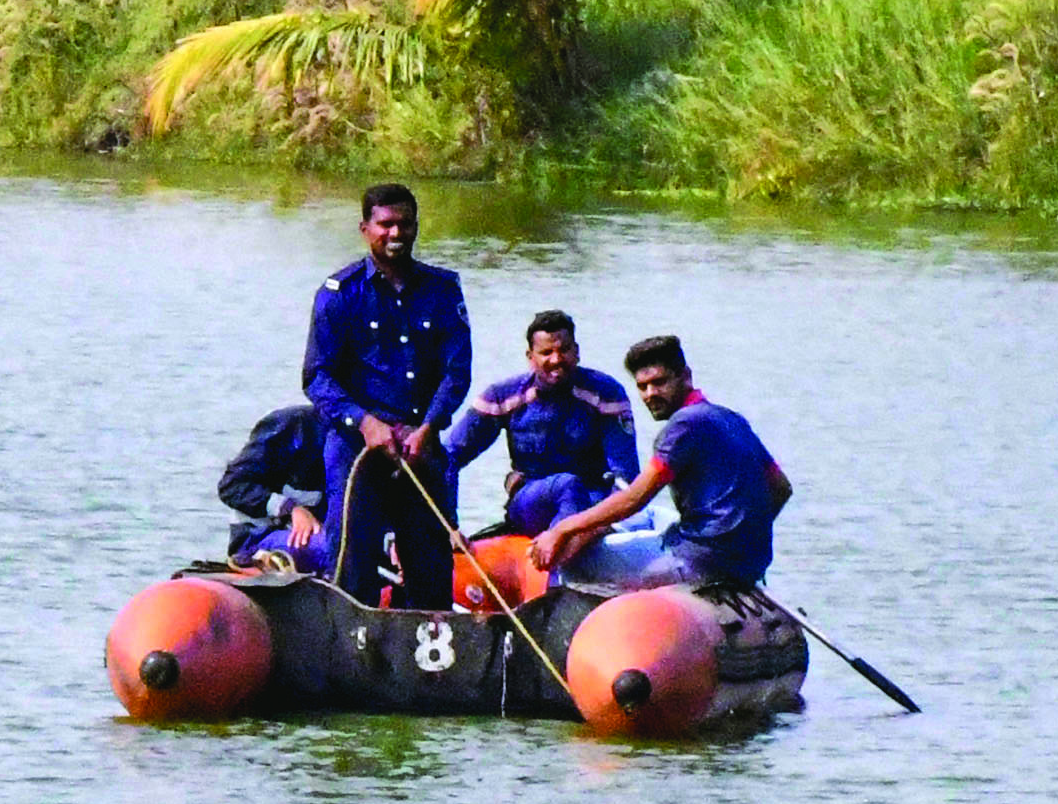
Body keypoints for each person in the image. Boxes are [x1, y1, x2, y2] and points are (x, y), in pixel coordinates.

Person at [299, 182, 473, 611]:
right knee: (352, 565)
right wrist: (365, 422)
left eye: (406, 223)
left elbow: (457, 371)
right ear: (365, 228)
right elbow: (317, 378)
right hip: (359, 448)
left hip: (422, 447)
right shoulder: (338, 294)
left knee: (431, 567)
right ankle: (344, 656)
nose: (397, 233)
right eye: (386, 224)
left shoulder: (443, 290)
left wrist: (430, 426)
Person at [528, 335, 794, 594]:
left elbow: (634, 497)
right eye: (642, 386)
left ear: (685, 376)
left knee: (574, 565)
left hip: (697, 561)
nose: (650, 394)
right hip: (751, 561)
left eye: (659, 382)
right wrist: (743, 536)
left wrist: (562, 529)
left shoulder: (683, 425)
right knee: (651, 516)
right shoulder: (730, 418)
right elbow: (781, 488)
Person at [444, 312, 640, 542]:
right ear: (530, 357)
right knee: (567, 485)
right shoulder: (502, 396)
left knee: (579, 489)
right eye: (546, 352)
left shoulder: (606, 393)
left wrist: (602, 524)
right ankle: (551, 555)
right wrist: (448, 525)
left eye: (564, 350)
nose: (556, 359)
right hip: (531, 502)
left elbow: (626, 476)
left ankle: (566, 548)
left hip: (593, 506)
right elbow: (448, 456)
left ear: (576, 351)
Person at [216, 399, 334, 574]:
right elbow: (232, 486)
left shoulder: (368, 440)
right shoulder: (292, 426)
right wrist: (291, 509)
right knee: (336, 551)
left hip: (322, 532)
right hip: (259, 536)